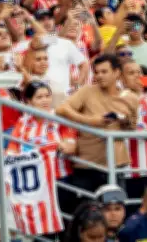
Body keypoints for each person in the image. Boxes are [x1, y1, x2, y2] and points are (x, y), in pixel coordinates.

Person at [56, 54, 139, 195]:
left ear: (117, 73)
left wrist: (124, 121)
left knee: (115, 205)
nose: (99, 76)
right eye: (96, 72)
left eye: (104, 72)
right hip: (87, 164)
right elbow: (61, 109)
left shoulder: (131, 97)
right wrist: (90, 121)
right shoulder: (87, 91)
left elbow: (132, 127)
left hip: (116, 164)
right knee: (85, 206)